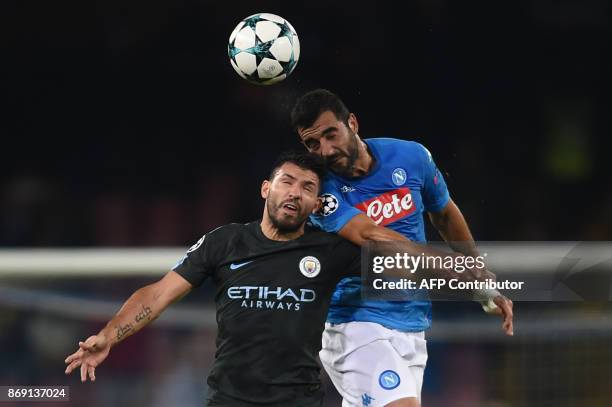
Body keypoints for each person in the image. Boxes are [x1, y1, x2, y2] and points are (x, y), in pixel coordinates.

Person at [64, 151, 365, 407]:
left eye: (308, 187)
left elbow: (402, 269)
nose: (295, 192)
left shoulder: (330, 250)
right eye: (286, 182)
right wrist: (109, 336)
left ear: (316, 204)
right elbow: (158, 295)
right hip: (229, 400)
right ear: (265, 189)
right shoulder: (225, 242)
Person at [291, 89, 514, 407]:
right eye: (313, 144)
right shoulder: (320, 193)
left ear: (352, 123)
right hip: (354, 324)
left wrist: (477, 273)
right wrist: (460, 274)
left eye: (331, 134)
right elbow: (373, 238)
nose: (325, 150)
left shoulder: (411, 157)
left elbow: (444, 213)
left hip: (411, 320)